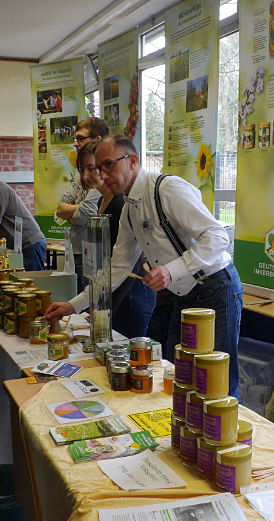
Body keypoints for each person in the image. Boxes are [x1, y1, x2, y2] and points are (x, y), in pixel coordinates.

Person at [46, 135, 242, 396]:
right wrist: (74, 305)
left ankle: (228, 434)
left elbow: (217, 236)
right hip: (183, 296)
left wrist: (171, 271)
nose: (103, 175)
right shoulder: (130, 208)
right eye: (98, 169)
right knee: (178, 373)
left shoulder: (166, 189)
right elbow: (116, 268)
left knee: (219, 381)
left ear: (133, 161)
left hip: (216, 289)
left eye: (109, 165)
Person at [76, 141, 156, 337]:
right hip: (111, 293)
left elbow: (126, 265)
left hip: (129, 297)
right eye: (82, 170)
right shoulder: (105, 201)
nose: (87, 177)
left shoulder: (122, 203)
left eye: (92, 169)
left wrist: (103, 308)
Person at [55, 117, 109, 290]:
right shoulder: (83, 175)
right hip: (78, 252)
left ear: (97, 139)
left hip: (95, 256)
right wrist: (78, 208)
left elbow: (83, 217)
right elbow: (60, 207)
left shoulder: (103, 173)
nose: (75, 143)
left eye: (80, 138)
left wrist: (75, 210)